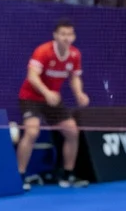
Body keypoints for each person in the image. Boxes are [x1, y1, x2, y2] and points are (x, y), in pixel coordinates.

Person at [16, 19, 90, 189]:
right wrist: (46, 92)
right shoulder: (43, 51)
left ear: (74, 36)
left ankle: (67, 174)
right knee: (32, 132)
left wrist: (79, 93)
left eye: (70, 34)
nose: (66, 38)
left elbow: (75, 77)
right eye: (63, 34)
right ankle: (20, 176)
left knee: (72, 131)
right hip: (31, 97)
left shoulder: (75, 54)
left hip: (53, 99)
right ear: (55, 35)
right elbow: (32, 76)